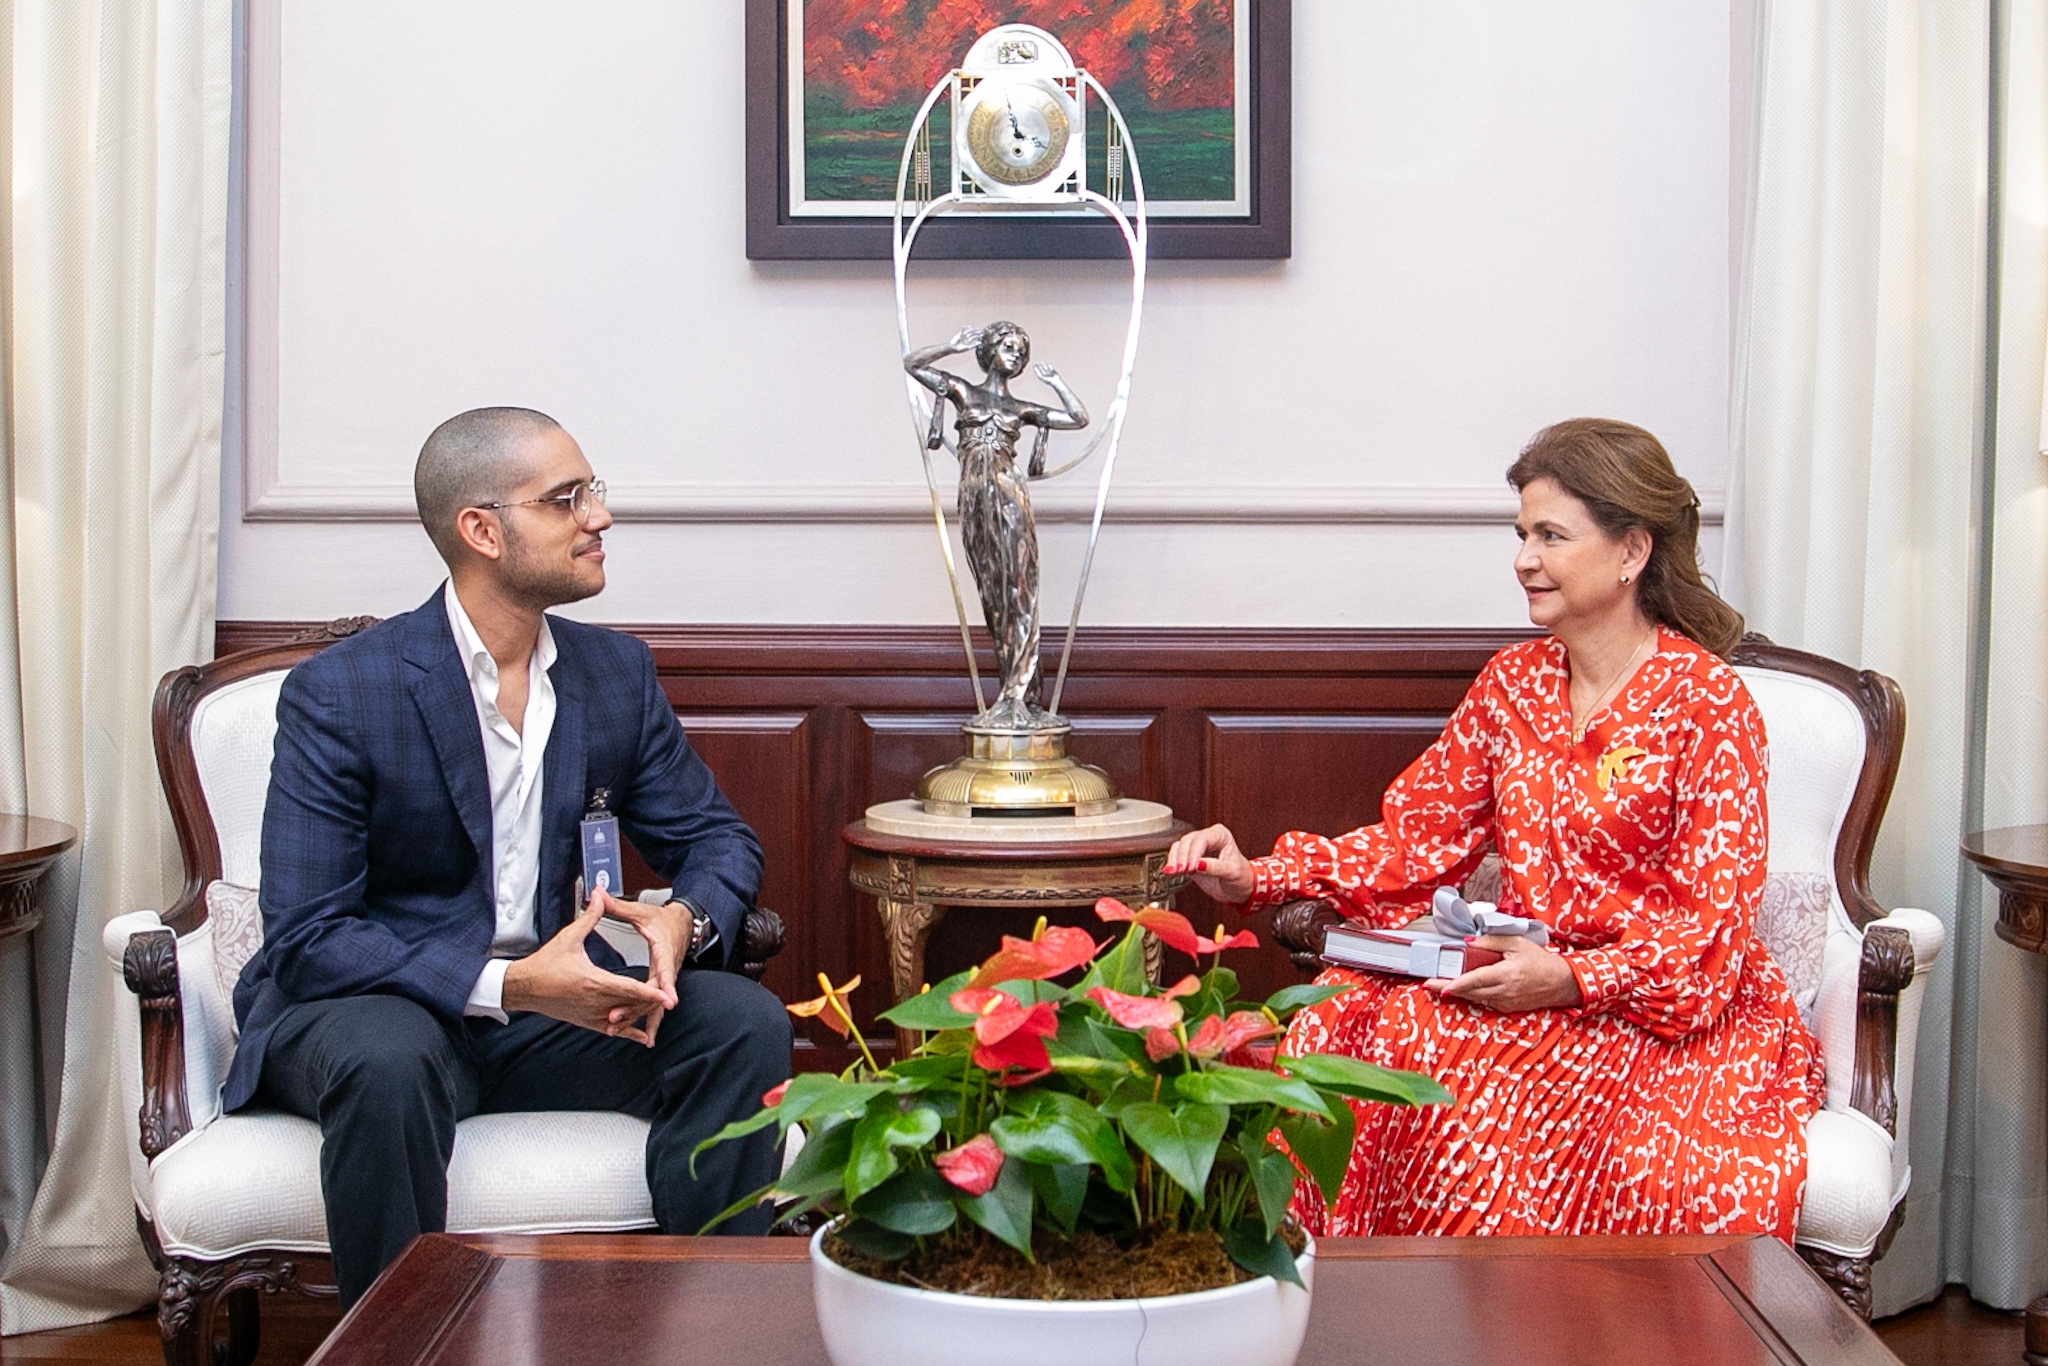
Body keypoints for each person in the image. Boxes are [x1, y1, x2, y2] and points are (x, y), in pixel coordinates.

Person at [1164, 418, 1823, 1242]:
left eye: (1551, 535)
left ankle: (1513, 1306)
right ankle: (1367, 1299)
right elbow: (1414, 841)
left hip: (1658, 1012)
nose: (1524, 559)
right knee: (1355, 1025)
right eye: (1521, 535)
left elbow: (1710, 925)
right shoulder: (1512, 684)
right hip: (1521, 981)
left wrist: (1573, 979)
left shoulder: (1708, 702)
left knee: (1484, 1087)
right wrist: (1260, 875)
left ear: (1631, 551)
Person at [226, 407, 791, 1305]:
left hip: (546, 1020)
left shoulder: (613, 674)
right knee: (387, 1057)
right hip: (378, 1008)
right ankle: (401, 1344)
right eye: (565, 499)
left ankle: (712, 1322)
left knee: (739, 1022)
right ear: (482, 531)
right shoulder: (343, 691)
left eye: (593, 492)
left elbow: (717, 838)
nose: (599, 517)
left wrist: (685, 920)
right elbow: (308, 934)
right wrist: (514, 984)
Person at [904, 322, 1088, 728]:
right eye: (1008, 346)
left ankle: (1019, 695)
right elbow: (912, 364)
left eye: (1022, 350)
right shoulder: (963, 391)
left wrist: (1056, 382)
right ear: (988, 350)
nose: (1016, 355)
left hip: (1010, 496)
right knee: (993, 593)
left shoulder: (1020, 408)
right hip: (975, 499)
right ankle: (1015, 689)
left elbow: (1079, 418)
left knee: (1020, 588)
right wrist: (951, 347)